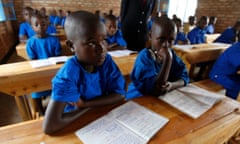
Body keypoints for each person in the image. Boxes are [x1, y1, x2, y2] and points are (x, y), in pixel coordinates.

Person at [43, 11, 126, 134]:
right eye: (91, 43)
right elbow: (51, 126)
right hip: (74, 124)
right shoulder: (69, 73)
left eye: (103, 40)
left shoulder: (106, 62)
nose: (102, 49)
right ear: (71, 46)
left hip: (102, 120)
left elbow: (120, 94)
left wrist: (87, 104)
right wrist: (89, 108)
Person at [126, 16, 189, 99]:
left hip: (159, 100)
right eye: (161, 39)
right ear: (150, 36)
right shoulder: (144, 57)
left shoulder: (172, 54)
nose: (166, 45)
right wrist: (168, 59)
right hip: (138, 99)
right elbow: (156, 89)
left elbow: (184, 77)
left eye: (171, 40)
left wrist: (172, 85)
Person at [26, 11, 61, 114]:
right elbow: (32, 60)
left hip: (52, 71)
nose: (40, 27)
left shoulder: (54, 40)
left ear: (47, 25)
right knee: (35, 90)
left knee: (59, 87)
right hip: (38, 72)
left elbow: (58, 56)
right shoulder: (31, 42)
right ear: (32, 27)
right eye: (36, 24)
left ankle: (57, 109)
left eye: (43, 24)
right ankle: (41, 112)